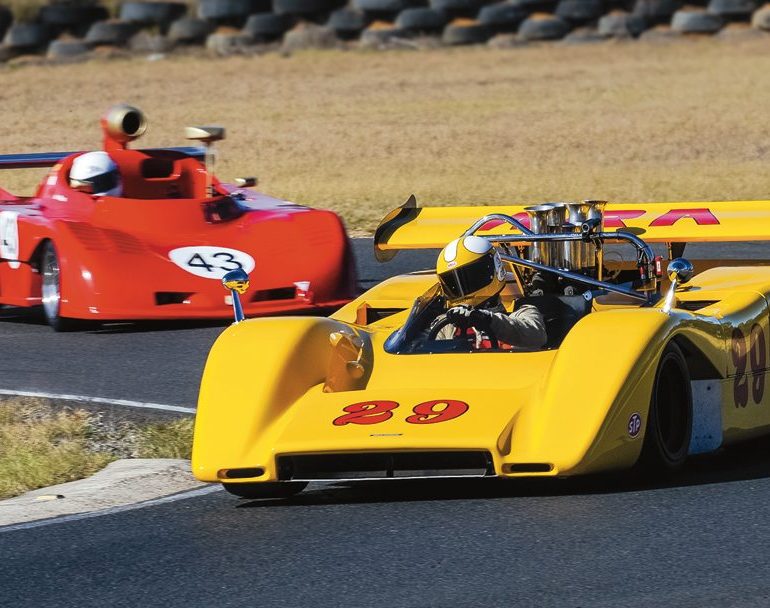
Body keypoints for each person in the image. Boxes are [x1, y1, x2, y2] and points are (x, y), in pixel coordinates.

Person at [431, 235, 547, 349]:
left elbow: (536, 336)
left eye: (471, 278)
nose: (462, 288)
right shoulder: (446, 324)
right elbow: (424, 348)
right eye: (453, 282)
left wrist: (487, 319)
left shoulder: (524, 312)